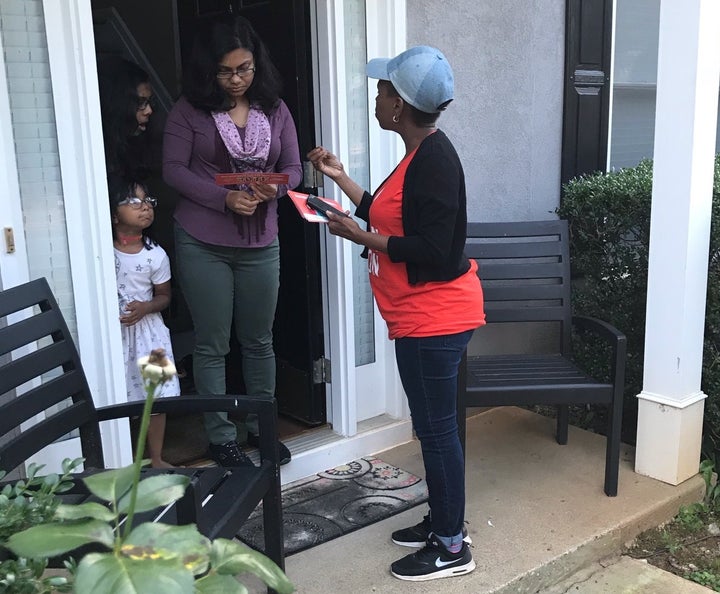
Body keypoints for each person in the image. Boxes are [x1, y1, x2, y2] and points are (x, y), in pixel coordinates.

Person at [307, 46, 485, 581]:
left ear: (400, 105)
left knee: (436, 431)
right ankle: (444, 522)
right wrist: (341, 180)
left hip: (435, 319)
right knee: (437, 428)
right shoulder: (418, 153)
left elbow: (433, 249)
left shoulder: (433, 160)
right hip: (423, 315)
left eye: (384, 89)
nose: (376, 95)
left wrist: (359, 237)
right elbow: (389, 214)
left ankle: (452, 548)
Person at [163, 15, 301, 468]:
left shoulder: (276, 108)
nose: (238, 79)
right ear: (209, 69)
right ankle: (221, 436)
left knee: (260, 340)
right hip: (203, 240)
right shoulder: (189, 109)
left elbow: (295, 168)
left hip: (262, 240)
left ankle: (261, 428)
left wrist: (274, 191)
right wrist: (223, 199)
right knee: (212, 344)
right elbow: (174, 171)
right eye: (227, 71)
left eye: (245, 68)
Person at [109, 174, 180, 469]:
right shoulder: (102, 251)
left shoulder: (155, 255)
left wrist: (147, 307)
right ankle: (120, 457)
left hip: (149, 334)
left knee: (156, 396)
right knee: (119, 393)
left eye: (148, 201)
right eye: (133, 201)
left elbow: (165, 295)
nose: (144, 207)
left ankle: (156, 458)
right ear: (114, 214)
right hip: (116, 333)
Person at [97, 56, 157, 181]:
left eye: (149, 102)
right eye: (140, 102)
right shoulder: (99, 152)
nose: (149, 110)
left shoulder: (136, 143)